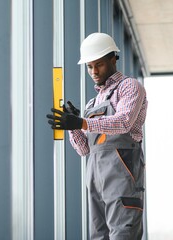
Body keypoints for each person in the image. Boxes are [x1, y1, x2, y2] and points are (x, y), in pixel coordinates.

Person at [47, 32, 148, 239]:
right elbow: (85, 149)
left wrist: (82, 122)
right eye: (89, 66)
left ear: (113, 59)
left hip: (123, 177)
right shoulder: (92, 104)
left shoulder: (129, 87)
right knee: (98, 236)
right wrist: (73, 126)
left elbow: (123, 122)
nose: (94, 71)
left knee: (123, 234)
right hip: (95, 179)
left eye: (99, 64)